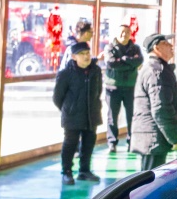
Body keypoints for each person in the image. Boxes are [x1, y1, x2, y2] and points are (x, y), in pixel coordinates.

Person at [53, 41, 103, 184]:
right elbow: (57, 97)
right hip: (72, 115)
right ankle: (66, 172)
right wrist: (69, 109)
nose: (86, 56)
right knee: (70, 144)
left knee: (88, 143)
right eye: (82, 54)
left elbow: (98, 90)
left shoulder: (95, 71)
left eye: (87, 53)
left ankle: (84, 171)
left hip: (91, 114)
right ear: (74, 57)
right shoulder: (65, 73)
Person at [131, 33, 177, 170]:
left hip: (152, 137)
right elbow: (161, 108)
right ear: (156, 48)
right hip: (153, 138)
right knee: (151, 179)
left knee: (149, 177)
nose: (171, 45)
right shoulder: (157, 72)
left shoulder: (156, 68)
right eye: (166, 43)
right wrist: (175, 137)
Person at [103, 23, 143, 152]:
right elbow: (111, 63)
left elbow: (139, 61)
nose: (124, 35)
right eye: (122, 32)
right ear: (116, 33)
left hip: (131, 87)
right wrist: (130, 62)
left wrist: (123, 59)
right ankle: (112, 142)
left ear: (130, 34)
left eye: (127, 32)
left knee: (132, 116)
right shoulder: (109, 47)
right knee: (112, 117)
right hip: (113, 88)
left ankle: (131, 141)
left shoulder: (135, 48)